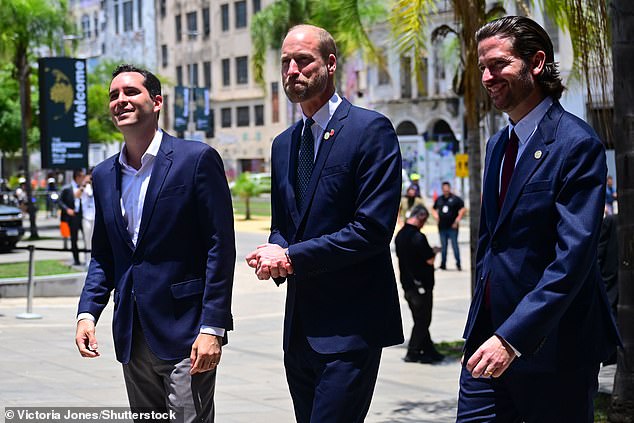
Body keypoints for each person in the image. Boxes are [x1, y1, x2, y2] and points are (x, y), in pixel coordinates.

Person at [458, 16, 621, 422]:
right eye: (482, 67)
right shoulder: (498, 144)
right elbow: (490, 244)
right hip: (486, 344)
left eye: (498, 64)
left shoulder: (576, 144)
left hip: (555, 349)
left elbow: (573, 260)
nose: (487, 76)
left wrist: (512, 338)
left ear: (536, 62)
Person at [245, 25, 404, 423]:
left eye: (303, 60)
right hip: (299, 330)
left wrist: (291, 257)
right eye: (285, 63)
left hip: (351, 328)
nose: (292, 70)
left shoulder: (370, 131)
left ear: (330, 64)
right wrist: (272, 252)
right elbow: (286, 224)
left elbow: (372, 230)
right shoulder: (283, 144)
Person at [74, 64, 235, 423]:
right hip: (132, 335)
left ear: (157, 101)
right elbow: (104, 254)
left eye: (131, 92)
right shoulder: (103, 175)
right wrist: (88, 312)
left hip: (187, 332)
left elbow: (219, 247)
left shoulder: (195, 160)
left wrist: (213, 327)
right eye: (114, 95)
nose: (121, 100)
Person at [394, 205, 444, 364]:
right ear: (421, 218)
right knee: (423, 320)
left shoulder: (400, 235)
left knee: (419, 318)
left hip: (408, 285)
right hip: (421, 286)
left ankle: (429, 350)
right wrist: (435, 251)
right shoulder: (418, 237)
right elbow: (429, 259)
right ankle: (413, 351)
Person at [431, 181, 466, 270]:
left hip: (452, 227)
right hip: (442, 227)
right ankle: (443, 264)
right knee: (444, 246)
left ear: (449, 189)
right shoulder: (439, 199)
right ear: (442, 190)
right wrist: (436, 216)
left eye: (447, 189)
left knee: (454, 245)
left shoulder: (455, 199)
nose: (446, 191)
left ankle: (458, 264)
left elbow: (463, 209)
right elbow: (433, 209)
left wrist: (457, 220)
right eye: (444, 189)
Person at [59, 169, 85, 266]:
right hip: (73, 216)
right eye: (82, 176)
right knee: (74, 239)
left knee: (88, 238)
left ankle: (88, 259)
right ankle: (76, 259)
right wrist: (67, 210)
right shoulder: (67, 188)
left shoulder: (84, 187)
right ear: (77, 177)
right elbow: (60, 201)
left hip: (82, 216)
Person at [80, 168, 95, 266]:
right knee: (87, 239)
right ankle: (87, 260)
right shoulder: (86, 187)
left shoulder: (99, 186)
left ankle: (94, 260)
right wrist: (84, 182)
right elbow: (77, 195)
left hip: (96, 217)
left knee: (96, 241)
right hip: (86, 217)